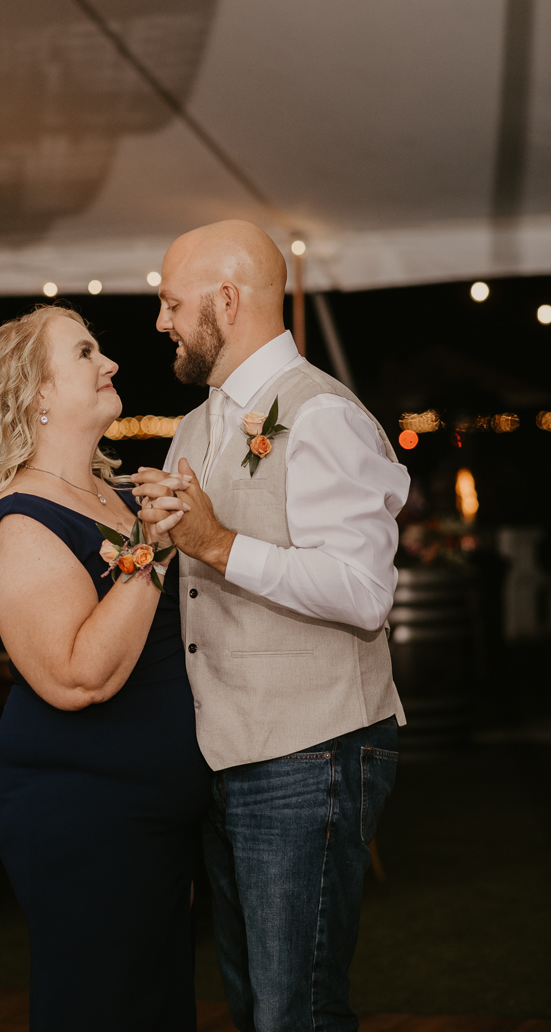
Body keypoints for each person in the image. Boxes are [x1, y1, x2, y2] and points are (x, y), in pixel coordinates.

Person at [133, 219, 410, 1032]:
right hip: (225, 749)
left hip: (310, 748)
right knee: (255, 1000)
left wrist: (217, 544)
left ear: (228, 297)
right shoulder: (194, 425)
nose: (160, 322)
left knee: (298, 1008)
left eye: (171, 302)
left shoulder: (323, 415)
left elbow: (364, 591)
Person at [0, 305, 211, 1031]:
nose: (111, 363)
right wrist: (153, 553)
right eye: (85, 353)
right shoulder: (22, 521)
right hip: (82, 813)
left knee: (157, 1008)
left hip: (155, 814)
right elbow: (78, 678)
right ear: (36, 393)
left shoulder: (128, 495)